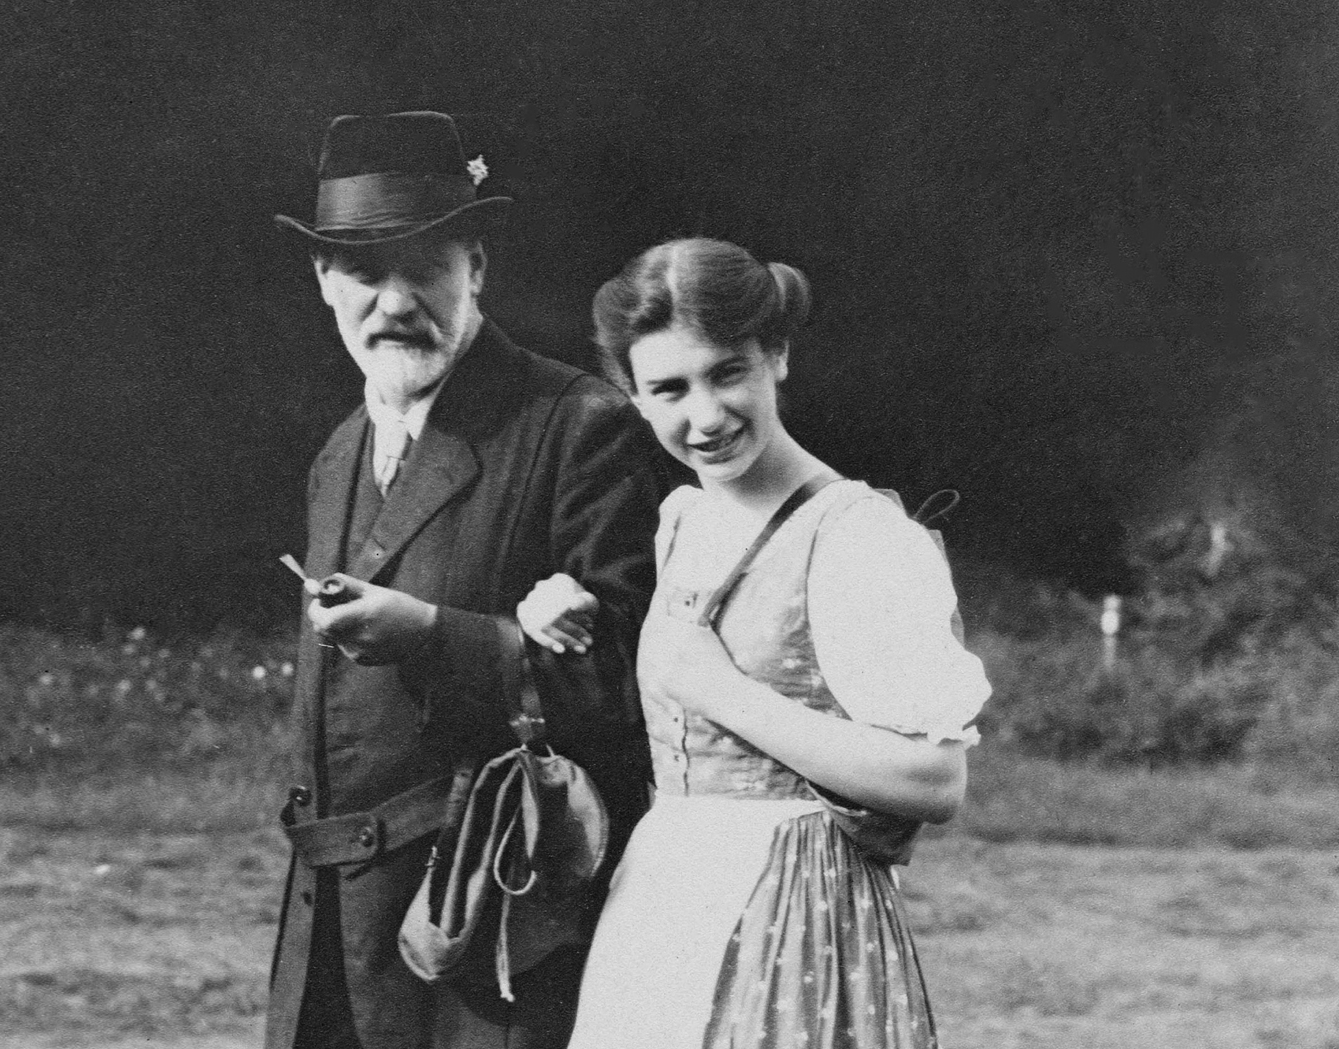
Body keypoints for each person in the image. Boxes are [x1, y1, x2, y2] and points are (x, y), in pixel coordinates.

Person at [521, 238, 991, 1049]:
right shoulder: (682, 521)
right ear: (632, 396)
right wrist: (563, 613)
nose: (704, 416)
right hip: (665, 898)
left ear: (775, 354)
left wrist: (723, 691)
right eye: (668, 388)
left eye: (726, 372)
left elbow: (935, 777)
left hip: (798, 918)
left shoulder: (857, 535)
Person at [264, 111, 668, 1049]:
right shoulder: (339, 454)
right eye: (364, 273)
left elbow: (636, 688)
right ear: (324, 281)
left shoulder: (579, 426)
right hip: (333, 934)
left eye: (426, 268)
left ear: (476, 268)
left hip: (491, 938)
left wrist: (433, 633)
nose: (394, 303)